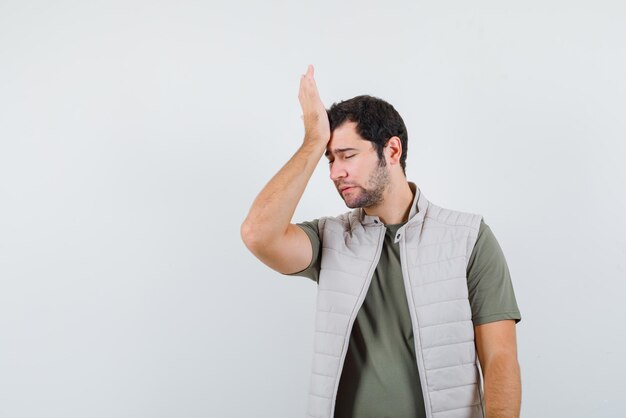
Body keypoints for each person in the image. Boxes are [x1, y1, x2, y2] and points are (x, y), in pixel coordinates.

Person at [241, 65, 521, 418]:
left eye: (347, 155)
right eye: (329, 159)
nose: (334, 172)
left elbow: (499, 357)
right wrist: (313, 141)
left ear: (391, 150)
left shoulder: (468, 237)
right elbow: (258, 233)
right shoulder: (329, 239)